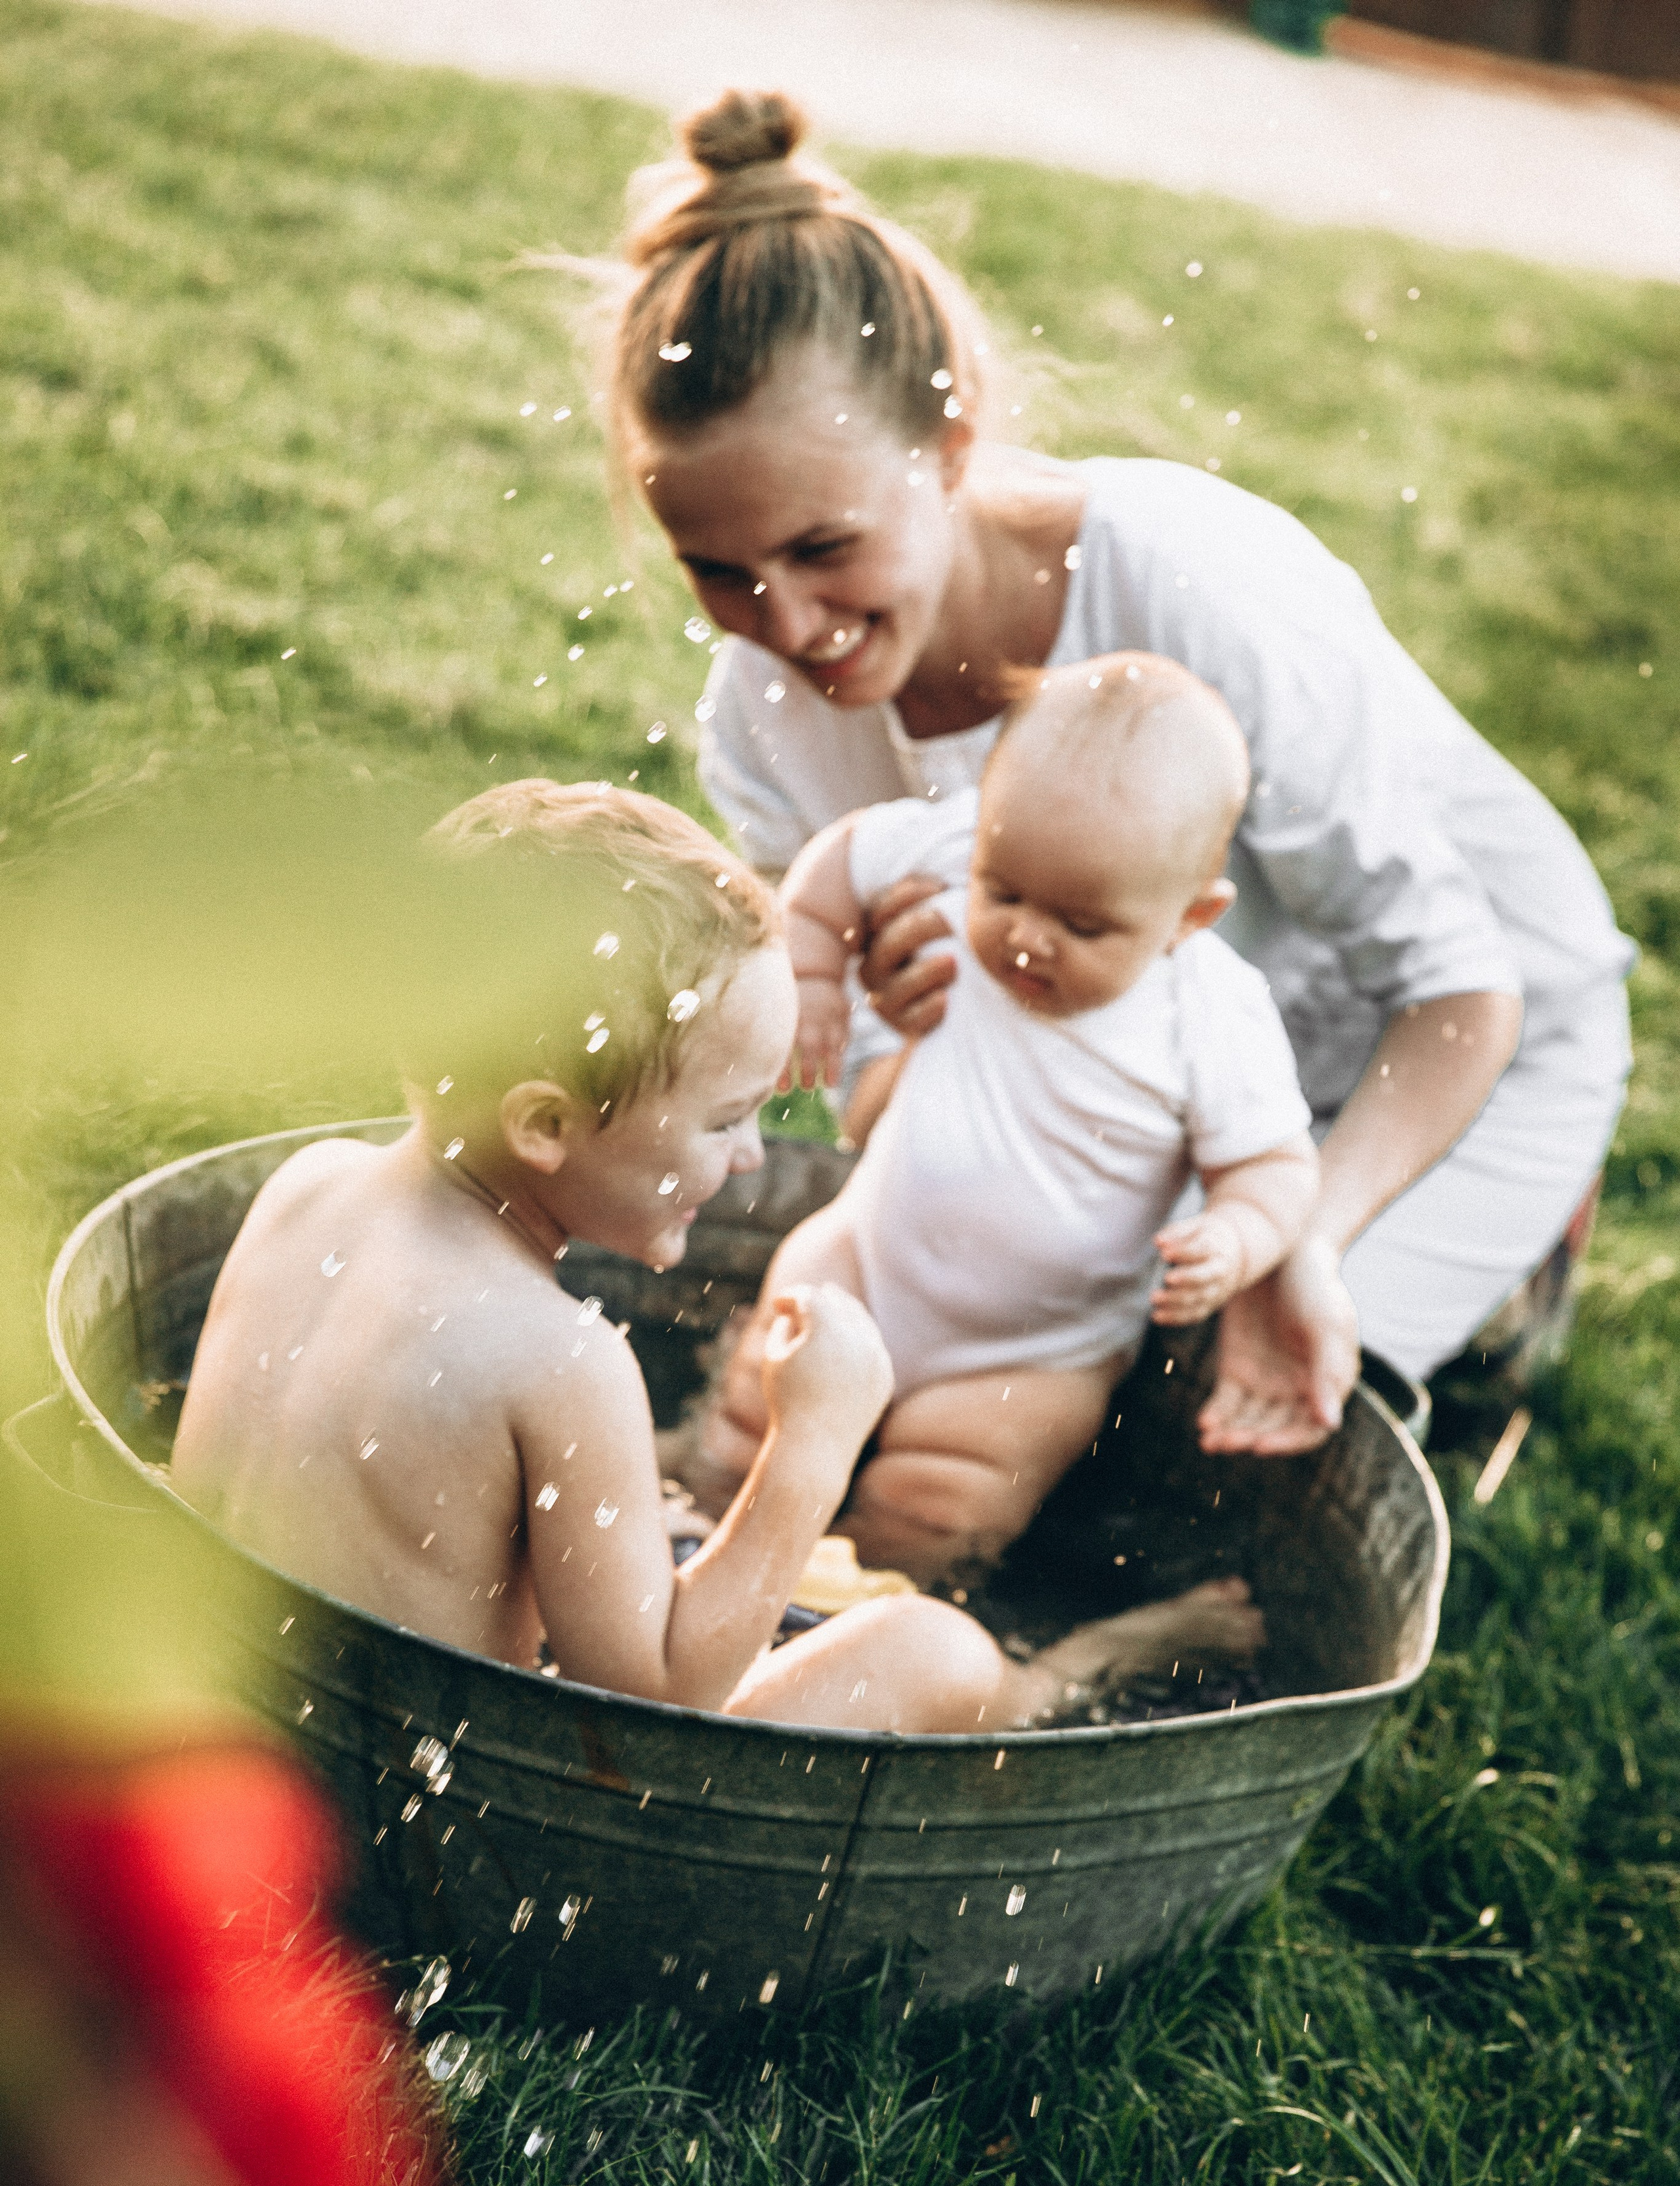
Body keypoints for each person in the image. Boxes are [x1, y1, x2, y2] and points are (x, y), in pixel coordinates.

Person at [579, 87, 1635, 1454]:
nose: (784, 625)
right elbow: (872, 1077)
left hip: (1445, 1047)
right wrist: (879, 1034)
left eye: (824, 549)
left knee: (1208, 1429)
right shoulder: (766, 713)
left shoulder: (1192, 586)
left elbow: (1454, 990)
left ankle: (1495, 1273)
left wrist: (1298, 1231)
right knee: (977, 1404)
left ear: (949, 450)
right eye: (717, 572)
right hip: (1129, 1075)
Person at [171, 780, 1263, 1733]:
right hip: (462, 1819)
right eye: (728, 1119)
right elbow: (656, 1699)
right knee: (935, 1653)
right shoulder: (562, 1362)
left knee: (647, 1528)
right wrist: (812, 1445)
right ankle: (1070, 1678)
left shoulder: (305, 1188)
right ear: (546, 1125)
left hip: (231, 1728)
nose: (751, 1158)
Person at [684, 654, 1318, 1579]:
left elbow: (1277, 1166)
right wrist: (813, 972)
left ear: (1191, 916)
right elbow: (838, 861)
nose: (1026, 933)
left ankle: (849, 1612)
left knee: (940, 1508)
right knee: (754, 1419)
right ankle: (696, 1541)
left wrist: (1238, 1234)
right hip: (864, 1259)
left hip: (1033, 1351)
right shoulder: (955, 843)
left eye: (1083, 926)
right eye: (1003, 892)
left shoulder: (1212, 1014)